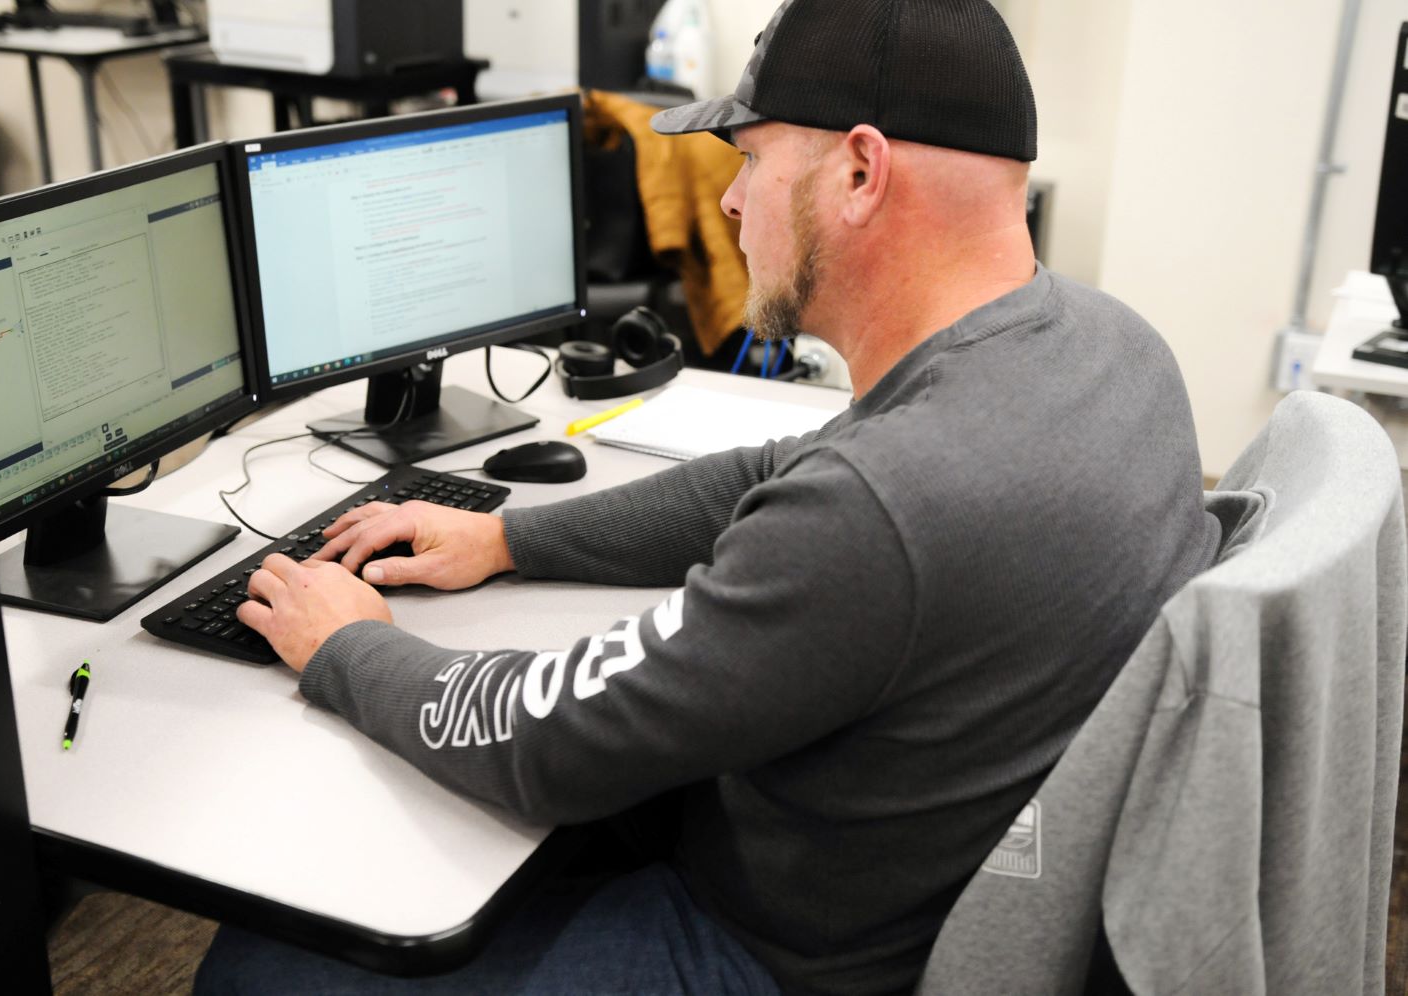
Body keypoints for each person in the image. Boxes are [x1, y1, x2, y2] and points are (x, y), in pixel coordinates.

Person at [197, 0, 1221, 992]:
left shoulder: (883, 507)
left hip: (774, 954)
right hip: (917, 872)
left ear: (861, 170)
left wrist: (347, 646)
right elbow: (768, 475)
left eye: (750, 160)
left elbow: (546, 740)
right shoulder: (1107, 348)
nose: (731, 202)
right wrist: (505, 538)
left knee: (253, 969)